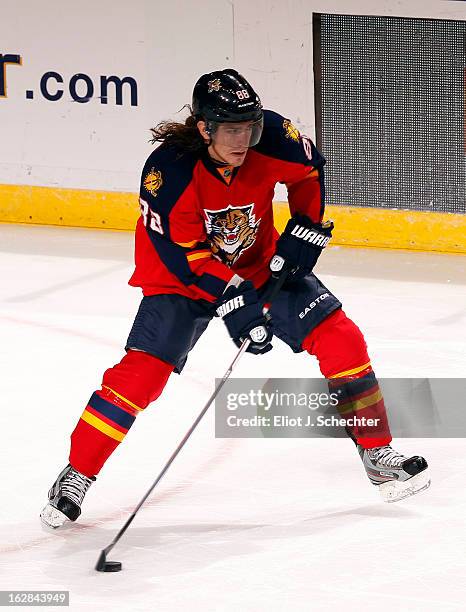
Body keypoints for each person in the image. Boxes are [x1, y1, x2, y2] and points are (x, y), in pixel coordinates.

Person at [40, 69, 430, 529]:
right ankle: (78, 473)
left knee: (342, 338)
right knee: (139, 378)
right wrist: (236, 304)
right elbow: (188, 258)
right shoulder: (168, 173)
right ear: (204, 128)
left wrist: (306, 226)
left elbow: (310, 173)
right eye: (231, 129)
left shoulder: (275, 138)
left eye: (249, 127)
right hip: (178, 281)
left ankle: (377, 454)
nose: (243, 139)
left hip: (259, 266)